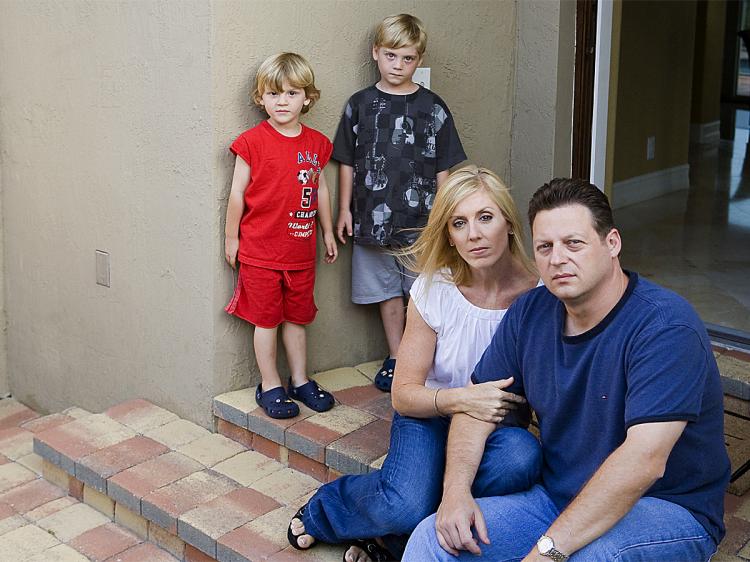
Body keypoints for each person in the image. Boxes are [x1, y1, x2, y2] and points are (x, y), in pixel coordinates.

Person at [404, 178, 731, 561]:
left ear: (611, 244)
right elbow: (477, 409)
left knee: (588, 557)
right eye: (545, 246)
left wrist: (547, 551)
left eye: (573, 243)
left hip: (665, 509)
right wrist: (456, 494)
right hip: (559, 497)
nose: (557, 258)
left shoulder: (665, 327)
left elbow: (643, 460)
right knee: (434, 540)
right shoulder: (530, 312)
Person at [287, 166, 542, 562]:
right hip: (430, 412)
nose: (474, 234)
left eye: (485, 217)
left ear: (508, 223)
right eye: (459, 223)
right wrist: (459, 400)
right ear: (450, 237)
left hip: (496, 424)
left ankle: (393, 540)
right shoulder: (436, 288)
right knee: (404, 501)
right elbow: (404, 395)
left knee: (522, 458)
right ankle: (327, 510)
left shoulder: (540, 293)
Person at [333, 13, 467, 393]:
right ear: (376, 53)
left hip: (421, 225)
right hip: (370, 222)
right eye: (391, 55)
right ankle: (395, 356)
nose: (398, 65)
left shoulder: (433, 107)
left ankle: (418, 359)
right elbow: (345, 162)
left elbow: (445, 167)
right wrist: (343, 210)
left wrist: (446, 217)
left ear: (419, 60)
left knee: (421, 293)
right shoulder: (359, 105)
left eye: (407, 58)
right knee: (386, 295)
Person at [224, 52, 338, 419]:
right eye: (273, 94)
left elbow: (319, 189)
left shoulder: (317, 144)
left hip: (301, 252)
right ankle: (271, 383)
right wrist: (231, 239)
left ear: (307, 97)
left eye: (291, 93)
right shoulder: (252, 142)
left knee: (297, 319)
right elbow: (237, 194)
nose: (282, 101)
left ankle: (301, 379)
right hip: (260, 253)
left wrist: (328, 231)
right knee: (267, 321)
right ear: (261, 98)